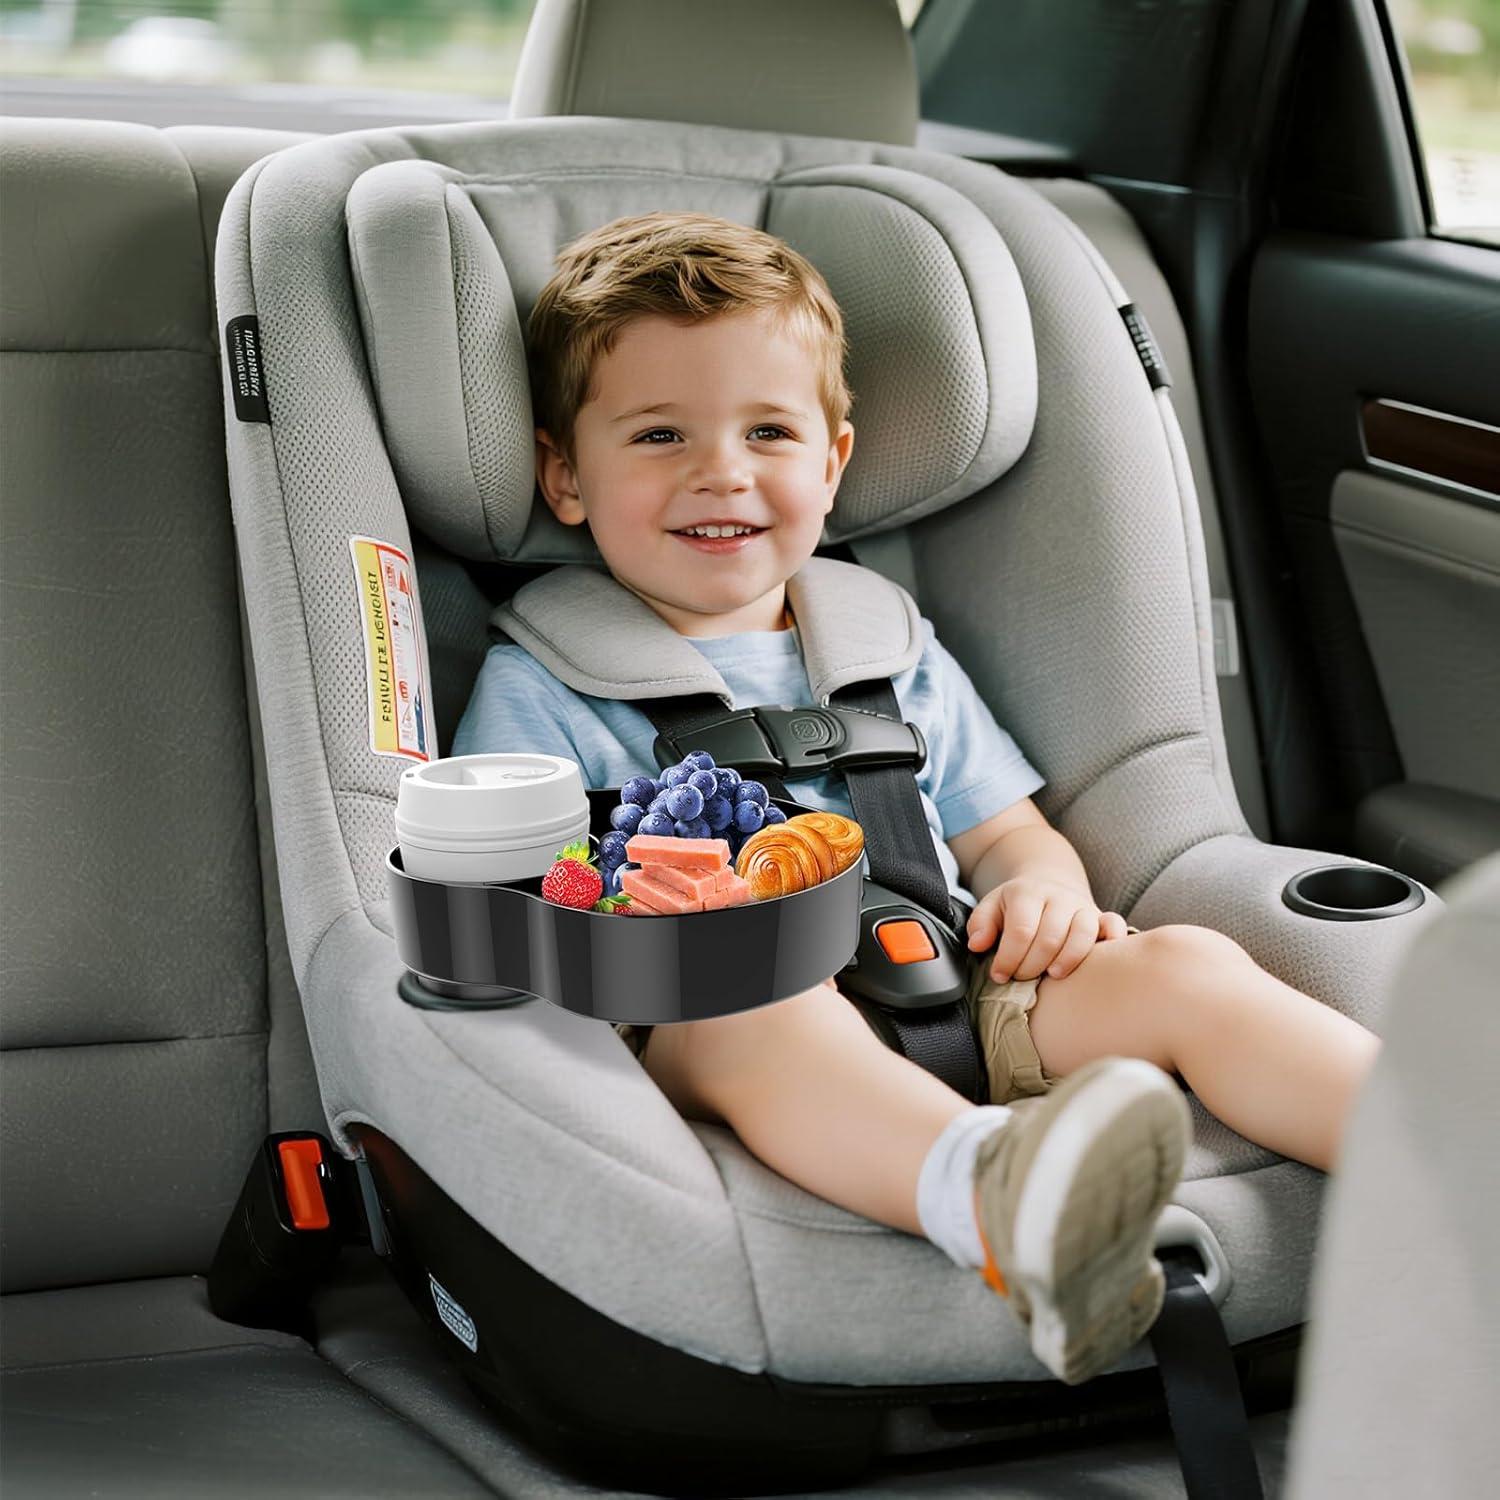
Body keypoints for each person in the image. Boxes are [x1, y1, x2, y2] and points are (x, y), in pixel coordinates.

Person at [451, 210, 1381, 1385]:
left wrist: (1044, 895)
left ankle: (1432, 1151)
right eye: (660, 434)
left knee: (1186, 963)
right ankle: (1003, 1205)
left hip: (958, 981)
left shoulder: (885, 648)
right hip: (717, 1021)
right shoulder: (542, 678)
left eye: (769, 431)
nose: (721, 471)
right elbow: (512, 889)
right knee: (758, 1013)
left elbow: (1004, 831)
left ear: (832, 465)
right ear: (564, 476)